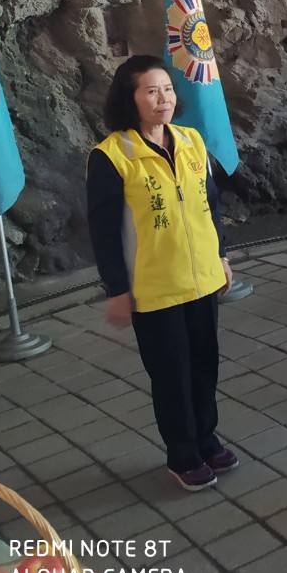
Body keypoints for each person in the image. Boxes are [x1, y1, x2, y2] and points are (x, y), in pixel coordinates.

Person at [87, 55, 237, 492]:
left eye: (167, 89)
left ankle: (207, 438)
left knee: (204, 365)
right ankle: (182, 453)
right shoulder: (111, 156)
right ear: (129, 98)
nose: (163, 99)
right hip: (153, 287)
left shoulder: (191, 141)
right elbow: (103, 230)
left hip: (203, 277)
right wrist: (117, 288)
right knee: (171, 372)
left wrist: (222, 256)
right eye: (151, 91)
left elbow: (210, 207)